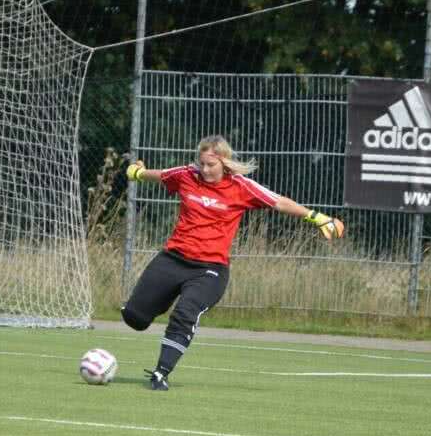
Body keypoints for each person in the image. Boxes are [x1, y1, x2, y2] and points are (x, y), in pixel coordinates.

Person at [122, 134, 344, 391]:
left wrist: (317, 218)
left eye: (211, 165)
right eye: (202, 163)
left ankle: (161, 373)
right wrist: (137, 173)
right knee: (134, 318)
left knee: (185, 314)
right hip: (172, 259)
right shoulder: (186, 175)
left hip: (209, 270)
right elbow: (161, 175)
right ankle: (153, 305)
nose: (205, 169)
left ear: (224, 162)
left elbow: (279, 201)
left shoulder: (241, 186)